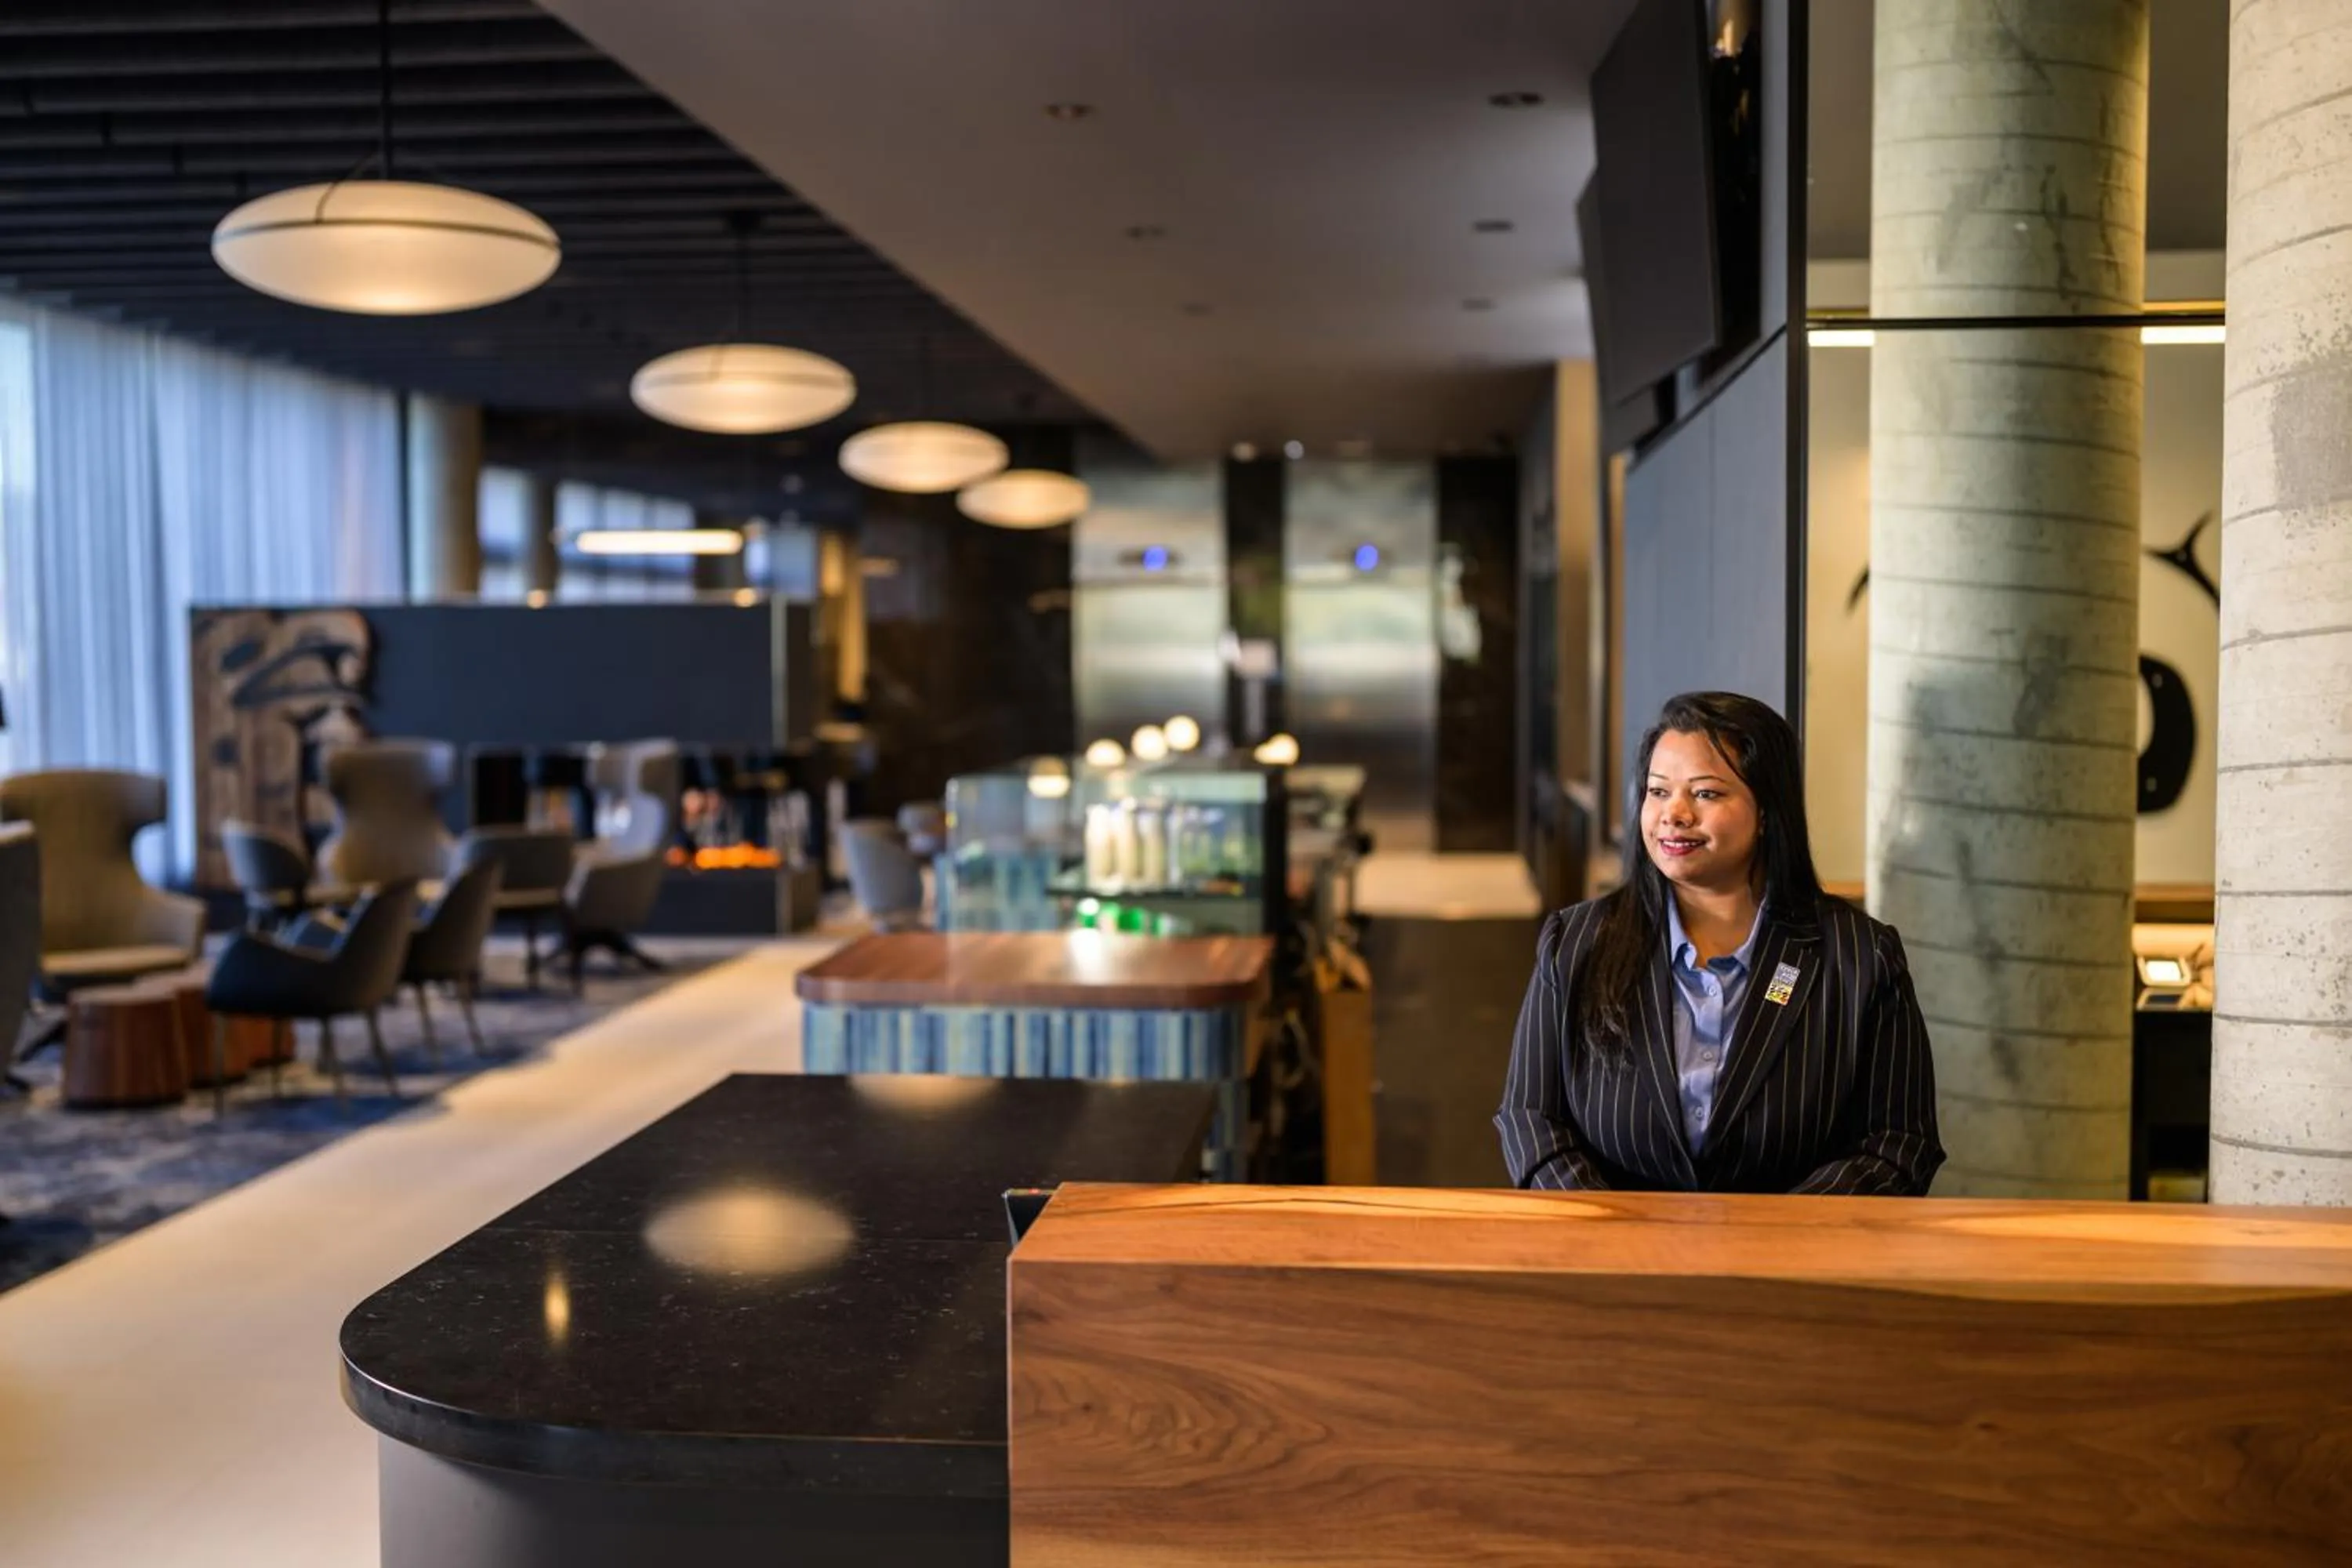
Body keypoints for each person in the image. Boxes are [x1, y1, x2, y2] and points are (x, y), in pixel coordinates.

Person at [1496, 691, 1943, 1195]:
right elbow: (1530, 1120)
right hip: (1614, 1260)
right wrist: (1614, 1238)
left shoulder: (1860, 958)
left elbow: (1899, 1142)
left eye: (1706, 794)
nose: (1675, 813)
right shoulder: (1575, 943)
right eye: (1658, 791)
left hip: (1796, 1261)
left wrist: (1774, 1237)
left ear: (1768, 811)